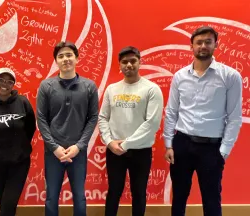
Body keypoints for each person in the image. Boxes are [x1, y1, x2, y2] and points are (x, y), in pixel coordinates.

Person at [163, 26, 243, 216]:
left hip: (211, 148)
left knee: (211, 198)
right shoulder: (180, 77)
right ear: (191, 45)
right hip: (182, 144)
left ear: (216, 45)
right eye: (199, 42)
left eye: (208, 42)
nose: (203, 46)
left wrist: (223, 151)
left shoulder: (230, 76)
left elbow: (234, 117)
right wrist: (168, 144)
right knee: (179, 196)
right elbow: (172, 112)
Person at [98, 46, 163, 216]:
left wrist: (126, 144)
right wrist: (110, 142)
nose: (129, 65)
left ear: (140, 62)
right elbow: (103, 117)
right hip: (114, 151)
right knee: (114, 191)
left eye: (133, 61)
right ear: (119, 65)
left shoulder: (151, 89)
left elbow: (152, 123)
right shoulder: (112, 89)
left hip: (140, 150)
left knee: (139, 192)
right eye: (124, 61)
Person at [36, 41, 99, 216]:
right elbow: (41, 119)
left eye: (69, 55)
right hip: (53, 152)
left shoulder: (89, 86)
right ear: (56, 60)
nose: (65, 59)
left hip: (77, 151)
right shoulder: (46, 86)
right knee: (51, 197)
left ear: (77, 58)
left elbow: (93, 117)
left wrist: (79, 146)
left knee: (79, 196)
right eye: (61, 56)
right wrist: (54, 147)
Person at [0, 67, 36, 216]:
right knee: (4, 201)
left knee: (9, 202)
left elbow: (30, 127)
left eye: (9, 81)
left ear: (13, 85)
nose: (5, 84)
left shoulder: (23, 103)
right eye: (1, 80)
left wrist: (19, 146)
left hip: (19, 161)